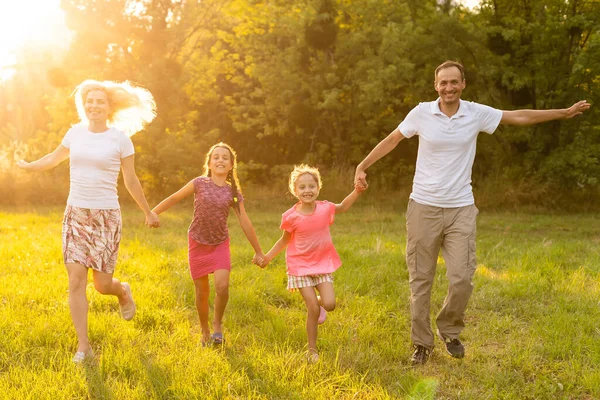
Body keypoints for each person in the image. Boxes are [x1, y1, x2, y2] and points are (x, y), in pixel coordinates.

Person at [354, 60, 591, 365]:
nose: (449, 88)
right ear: (435, 86)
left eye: (454, 82)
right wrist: (362, 165)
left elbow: (517, 116)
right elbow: (393, 139)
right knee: (421, 279)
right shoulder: (422, 113)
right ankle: (421, 344)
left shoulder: (475, 112)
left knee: (462, 277)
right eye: (443, 83)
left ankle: (449, 329)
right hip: (423, 207)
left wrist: (563, 112)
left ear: (463, 84)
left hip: (461, 208)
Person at [16, 79, 160, 363]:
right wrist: (30, 166)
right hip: (76, 214)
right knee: (76, 281)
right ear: (85, 106)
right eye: (89, 101)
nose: (94, 105)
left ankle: (122, 291)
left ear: (109, 107)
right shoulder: (75, 133)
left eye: (100, 102)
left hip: (106, 216)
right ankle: (84, 347)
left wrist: (147, 211)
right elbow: (54, 158)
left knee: (102, 285)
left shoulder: (120, 139)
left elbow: (130, 179)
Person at [152, 142, 265, 346]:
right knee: (201, 292)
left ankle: (217, 325)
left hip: (219, 243)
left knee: (222, 286)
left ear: (231, 165)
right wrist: (153, 212)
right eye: (216, 157)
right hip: (197, 242)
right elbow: (175, 197)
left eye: (225, 157)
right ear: (210, 163)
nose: (220, 160)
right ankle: (204, 330)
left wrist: (259, 251)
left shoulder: (232, 192)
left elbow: (245, 221)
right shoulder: (199, 183)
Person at [258, 164, 366, 362]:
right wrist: (267, 257)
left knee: (330, 304)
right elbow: (284, 240)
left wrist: (357, 191)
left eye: (311, 186)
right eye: (302, 187)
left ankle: (320, 303)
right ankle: (312, 350)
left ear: (318, 187)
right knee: (313, 309)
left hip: (323, 263)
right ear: (294, 190)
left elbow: (343, 206)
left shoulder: (324, 208)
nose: (307, 190)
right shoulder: (291, 216)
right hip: (300, 267)